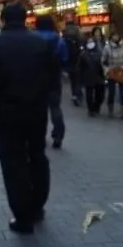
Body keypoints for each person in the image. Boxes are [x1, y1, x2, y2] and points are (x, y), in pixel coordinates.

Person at [0, 2, 61, 234]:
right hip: (36, 111)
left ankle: (23, 216)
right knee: (37, 156)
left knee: (13, 163)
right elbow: (54, 77)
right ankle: (38, 205)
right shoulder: (41, 44)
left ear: (2, 19)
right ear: (25, 19)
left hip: (6, 115)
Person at [35, 14, 68, 148]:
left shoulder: (33, 37)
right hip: (54, 78)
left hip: (36, 78)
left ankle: (40, 136)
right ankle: (58, 135)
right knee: (55, 107)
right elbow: (65, 57)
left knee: (38, 109)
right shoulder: (57, 39)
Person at [101, 29, 123, 120]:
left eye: (117, 36)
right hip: (112, 70)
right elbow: (103, 60)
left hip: (121, 70)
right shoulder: (107, 47)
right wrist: (106, 70)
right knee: (111, 92)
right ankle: (110, 110)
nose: (115, 37)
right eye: (114, 36)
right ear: (111, 37)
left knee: (122, 92)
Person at [79, 32, 105, 116]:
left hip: (99, 76)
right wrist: (80, 78)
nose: (90, 44)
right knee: (89, 95)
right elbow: (79, 67)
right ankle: (91, 110)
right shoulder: (83, 54)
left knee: (100, 94)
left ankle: (96, 106)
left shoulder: (99, 54)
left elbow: (103, 64)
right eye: (89, 42)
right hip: (88, 77)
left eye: (92, 42)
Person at [64, 20, 83, 105]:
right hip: (78, 60)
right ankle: (78, 93)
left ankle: (74, 95)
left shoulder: (65, 36)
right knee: (78, 78)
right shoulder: (78, 34)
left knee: (72, 79)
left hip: (69, 61)